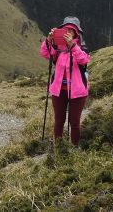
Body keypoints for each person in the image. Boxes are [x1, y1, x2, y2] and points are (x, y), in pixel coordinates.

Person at [39, 16, 90, 146]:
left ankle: (74, 147)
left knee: (74, 122)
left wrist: (72, 45)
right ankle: (59, 147)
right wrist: (49, 40)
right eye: (65, 29)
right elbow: (45, 54)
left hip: (77, 93)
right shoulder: (58, 48)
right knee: (59, 121)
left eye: (71, 30)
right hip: (59, 91)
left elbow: (84, 60)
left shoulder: (81, 47)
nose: (68, 32)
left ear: (76, 33)